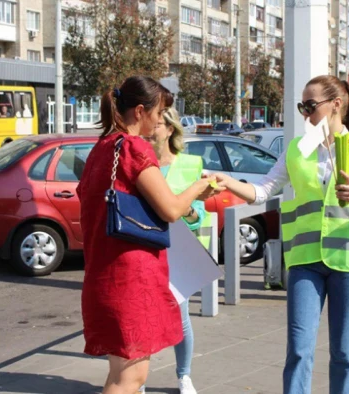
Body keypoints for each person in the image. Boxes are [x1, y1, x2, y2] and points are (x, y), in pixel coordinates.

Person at [212, 75, 349, 394]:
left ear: (336, 105)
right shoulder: (299, 149)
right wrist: (227, 181)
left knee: (343, 353)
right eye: (302, 107)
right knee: (298, 349)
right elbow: (264, 190)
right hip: (305, 260)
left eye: (310, 106)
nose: (306, 115)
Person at [76, 76, 223, 394]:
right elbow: (170, 209)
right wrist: (200, 186)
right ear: (140, 111)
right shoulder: (132, 147)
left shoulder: (102, 148)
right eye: (158, 113)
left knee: (120, 373)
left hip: (106, 274)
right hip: (131, 279)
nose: (160, 121)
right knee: (131, 378)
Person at [138, 107, 211, 394]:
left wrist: (186, 210)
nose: (151, 130)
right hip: (145, 249)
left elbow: (200, 217)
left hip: (178, 251)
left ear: (170, 130)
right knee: (143, 317)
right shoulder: (140, 164)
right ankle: (138, 380)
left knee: (179, 317)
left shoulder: (191, 164)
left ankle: (184, 376)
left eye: (156, 126)